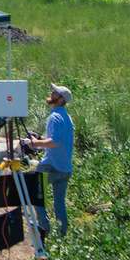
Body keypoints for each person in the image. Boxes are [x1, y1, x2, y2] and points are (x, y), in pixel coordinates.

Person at [26, 83, 75, 239]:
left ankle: (44, 227)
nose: (51, 93)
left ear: (60, 100)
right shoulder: (67, 117)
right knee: (59, 203)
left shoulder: (54, 117)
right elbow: (59, 141)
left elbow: (54, 142)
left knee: (34, 191)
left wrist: (34, 143)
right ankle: (62, 236)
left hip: (52, 166)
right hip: (65, 168)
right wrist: (41, 140)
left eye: (55, 92)